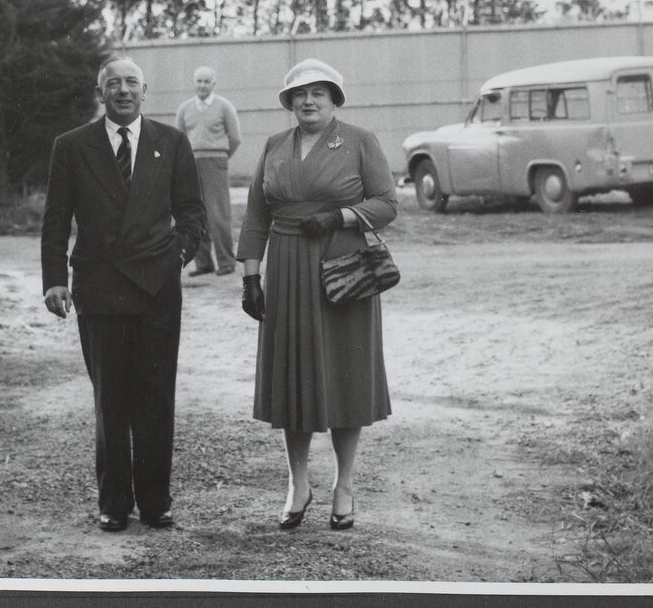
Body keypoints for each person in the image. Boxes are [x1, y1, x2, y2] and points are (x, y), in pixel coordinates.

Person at [41, 57, 206, 532]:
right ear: (101, 93)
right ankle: (114, 502)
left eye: (131, 82)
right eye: (113, 83)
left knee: (156, 396)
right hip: (99, 288)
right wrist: (55, 278)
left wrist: (177, 255)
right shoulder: (72, 146)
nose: (123, 90)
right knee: (110, 400)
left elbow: (192, 212)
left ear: (145, 90)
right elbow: (56, 218)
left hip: (157, 288)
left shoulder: (171, 143)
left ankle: (156, 501)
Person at [236, 58, 397, 531]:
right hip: (286, 269)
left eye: (318, 93)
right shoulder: (273, 145)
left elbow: (387, 203)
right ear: (289, 102)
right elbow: (255, 217)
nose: (308, 101)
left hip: (341, 270)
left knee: (345, 375)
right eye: (299, 94)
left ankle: (344, 484)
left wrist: (339, 217)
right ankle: (297, 483)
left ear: (334, 99)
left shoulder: (359, 141)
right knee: (293, 376)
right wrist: (251, 277)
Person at [176, 66, 242, 277]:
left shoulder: (224, 107)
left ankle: (226, 262)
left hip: (215, 162)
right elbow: (179, 139)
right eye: (199, 81)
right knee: (195, 214)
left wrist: (220, 157)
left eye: (207, 81)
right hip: (190, 165)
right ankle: (203, 263)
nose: (202, 85)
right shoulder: (185, 108)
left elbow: (235, 138)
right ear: (194, 83)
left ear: (214, 84)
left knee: (218, 215)